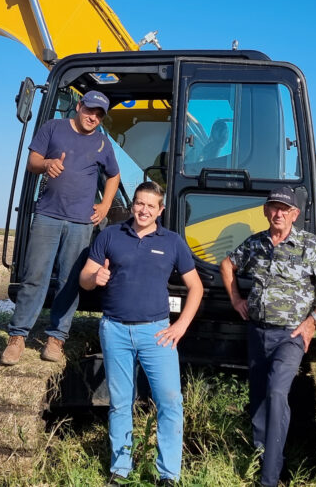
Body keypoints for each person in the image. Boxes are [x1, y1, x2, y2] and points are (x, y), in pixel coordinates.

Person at [220, 186, 316, 487]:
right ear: (266, 211)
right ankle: (262, 459)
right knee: (258, 401)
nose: (278, 213)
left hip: (290, 335)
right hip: (257, 331)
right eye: (273, 207)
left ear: (295, 214)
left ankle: (269, 478)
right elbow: (227, 265)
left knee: (277, 394)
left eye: (285, 209)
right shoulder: (255, 244)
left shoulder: (309, 245)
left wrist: (313, 320)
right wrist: (236, 299)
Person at [79, 181, 203, 486]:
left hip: (157, 333)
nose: (144, 210)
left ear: (160, 210)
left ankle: (168, 474)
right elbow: (83, 279)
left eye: (151, 205)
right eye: (139, 203)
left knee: (170, 401)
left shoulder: (172, 242)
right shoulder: (110, 235)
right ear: (132, 205)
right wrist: (96, 277)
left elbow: (196, 287)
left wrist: (180, 325)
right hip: (115, 330)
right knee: (121, 402)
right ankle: (121, 469)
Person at [0, 90, 121, 366]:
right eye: (90, 110)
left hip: (80, 223)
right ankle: (17, 338)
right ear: (78, 106)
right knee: (35, 277)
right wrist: (47, 164)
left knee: (70, 281)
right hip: (48, 216)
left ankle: (56, 339)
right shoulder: (53, 128)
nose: (93, 117)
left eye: (99, 114)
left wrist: (105, 206)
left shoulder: (103, 144)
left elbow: (114, 176)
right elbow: (32, 162)